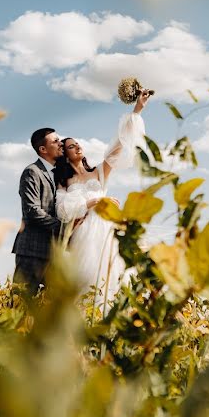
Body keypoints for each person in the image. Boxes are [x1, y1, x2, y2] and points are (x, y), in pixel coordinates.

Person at [53, 90, 150, 306]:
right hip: (84, 231)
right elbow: (62, 210)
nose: (77, 146)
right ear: (65, 154)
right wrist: (93, 201)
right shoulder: (64, 181)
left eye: (77, 144)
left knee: (113, 276)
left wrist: (137, 110)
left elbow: (119, 145)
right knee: (88, 278)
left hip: (106, 227)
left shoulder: (99, 171)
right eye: (71, 146)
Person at [11, 127, 64, 294]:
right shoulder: (32, 172)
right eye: (55, 141)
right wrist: (65, 226)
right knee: (21, 305)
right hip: (32, 251)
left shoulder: (60, 175)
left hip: (54, 254)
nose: (60, 143)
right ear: (43, 149)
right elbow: (32, 211)